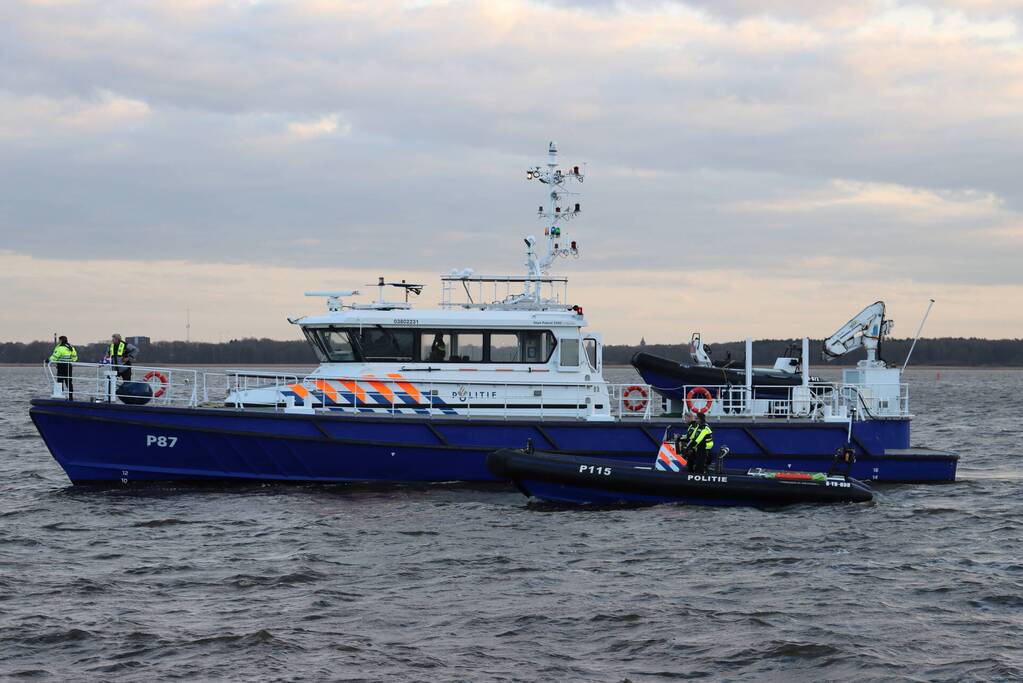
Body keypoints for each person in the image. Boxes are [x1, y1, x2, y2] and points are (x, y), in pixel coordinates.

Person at [48, 335, 78, 400]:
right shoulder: (71, 347)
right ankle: (71, 397)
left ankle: (61, 396)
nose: (58, 342)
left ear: (61, 340)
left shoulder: (60, 348)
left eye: (59, 340)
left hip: (61, 366)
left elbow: (55, 356)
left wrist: (48, 360)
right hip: (69, 366)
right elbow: (75, 357)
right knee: (69, 382)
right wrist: (70, 360)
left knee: (60, 381)